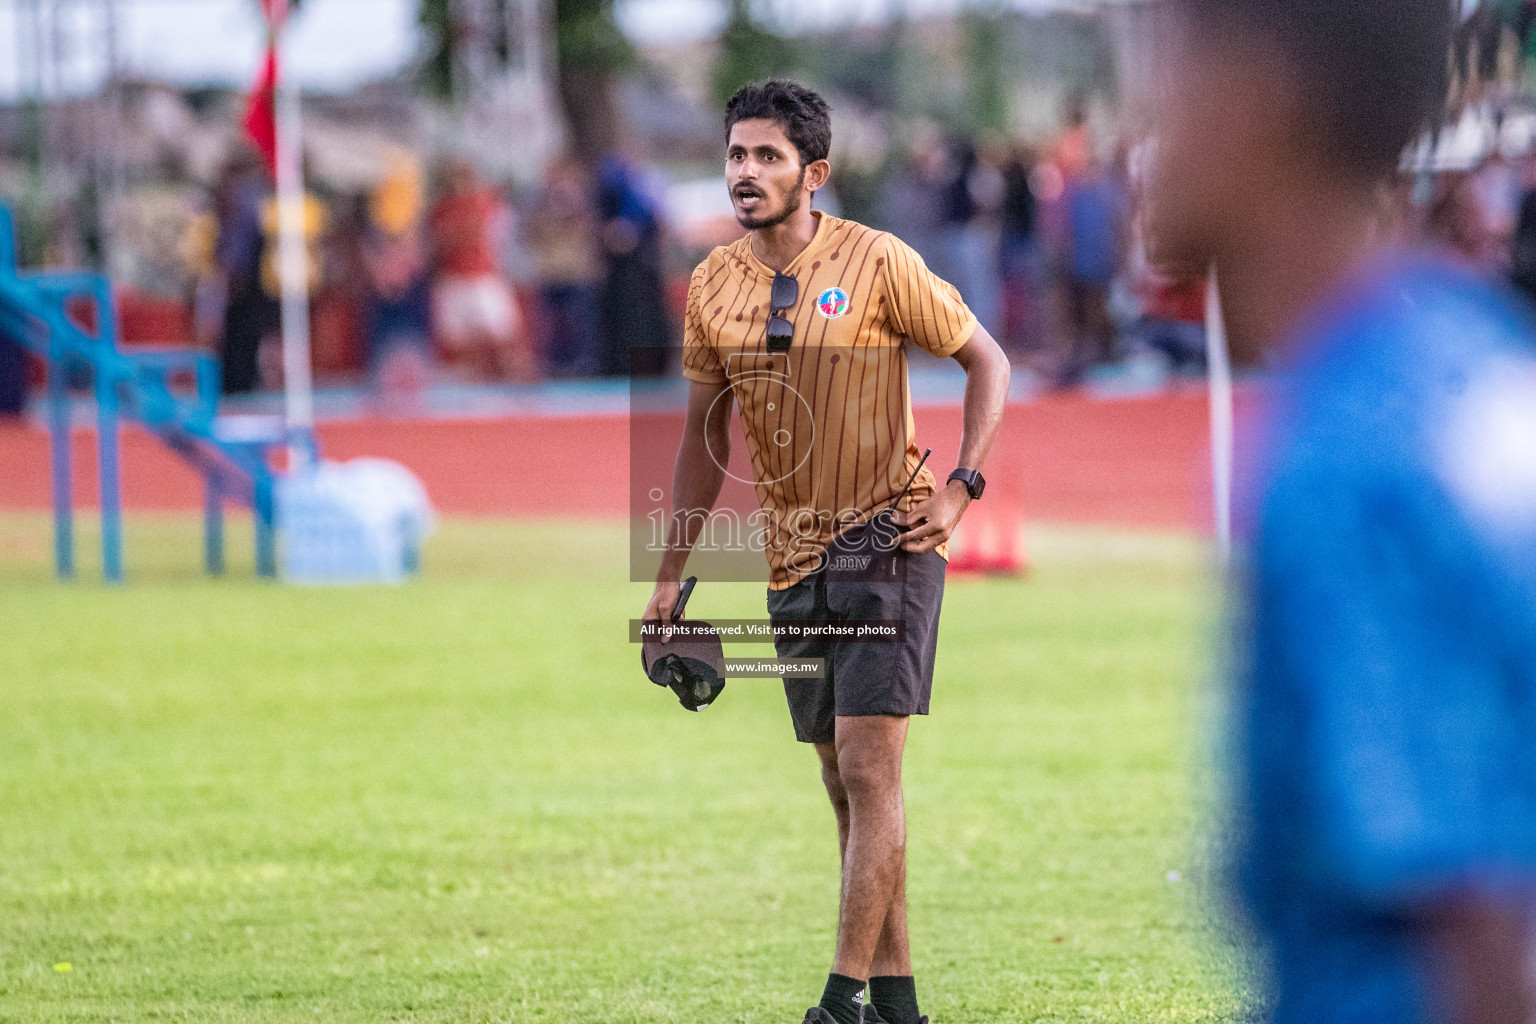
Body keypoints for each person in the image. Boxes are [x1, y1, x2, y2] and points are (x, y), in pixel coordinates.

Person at [1150, 1, 1536, 1023]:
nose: (1148, 126)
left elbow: (1475, 925)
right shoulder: (1469, 356)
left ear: (1256, 100)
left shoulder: (1344, 461)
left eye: (1169, 68)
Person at [641, 80, 1011, 1024]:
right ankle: (899, 1004)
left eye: (767, 156)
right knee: (837, 779)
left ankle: (839, 1002)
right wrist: (670, 579)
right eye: (735, 155)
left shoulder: (880, 261)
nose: (746, 173)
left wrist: (964, 484)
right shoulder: (711, 284)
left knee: (868, 765)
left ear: (816, 173)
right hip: (788, 560)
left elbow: (987, 361)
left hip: (888, 536)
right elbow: (699, 442)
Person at [427, 159, 531, 381]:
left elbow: (483, 236)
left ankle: (520, 388)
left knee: (504, 337)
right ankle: (471, 387)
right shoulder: (441, 209)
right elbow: (439, 245)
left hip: (482, 276)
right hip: (453, 280)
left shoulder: (483, 203)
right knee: (461, 343)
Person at [524, 155, 603, 378]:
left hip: (576, 271)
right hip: (550, 271)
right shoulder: (540, 204)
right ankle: (553, 367)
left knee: (579, 324)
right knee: (551, 325)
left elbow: (589, 233)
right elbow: (531, 235)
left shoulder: (581, 203)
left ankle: (583, 366)